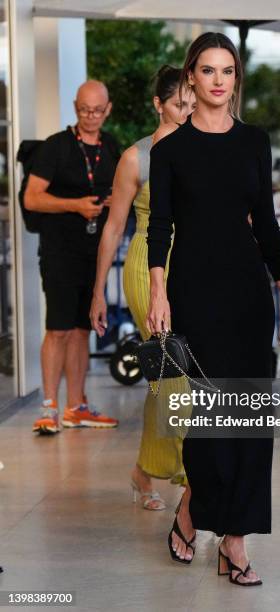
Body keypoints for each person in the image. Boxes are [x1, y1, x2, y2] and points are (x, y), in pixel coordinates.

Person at [146, 32, 280, 585]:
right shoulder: (168, 151)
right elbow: (159, 225)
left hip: (248, 297)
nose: (217, 80)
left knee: (252, 420)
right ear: (190, 77)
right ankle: (191, 511)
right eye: (207, 70)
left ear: (235, 79)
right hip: (194, 294)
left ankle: (234, 541)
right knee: (211, 420)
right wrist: (159, 291)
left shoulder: (254, 142)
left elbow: (265, 225)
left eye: (227, 71)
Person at [91, 66, 195, 510]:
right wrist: (98, 290)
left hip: (192, 269)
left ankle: (143, 469)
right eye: (177, 105)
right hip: (144, 269)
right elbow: (114, 227)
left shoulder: (203, 149)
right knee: (174, 380)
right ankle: (195, 481)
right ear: (158, 104)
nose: (186, 113)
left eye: (192, 105)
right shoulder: (137, 157)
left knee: (172, 376)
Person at [25, 80, 120, 434]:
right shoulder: (56, 147)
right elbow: (32, 198)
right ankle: (49, 407)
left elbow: (125, 188)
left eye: (97, 110)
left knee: (82, 331)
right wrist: (75, 206)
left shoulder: (110, 147)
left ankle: (76, 406)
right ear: (74, 107)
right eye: (84, 110)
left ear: (108, 109)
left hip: (94, 254)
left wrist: (113, 201)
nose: (90, 116)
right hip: (60, 251)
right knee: (59, 330)